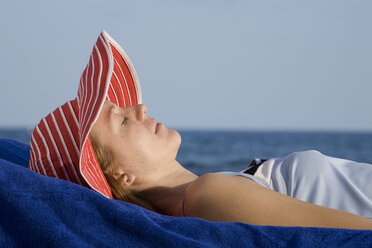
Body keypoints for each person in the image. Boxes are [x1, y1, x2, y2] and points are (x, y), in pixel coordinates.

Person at [29, 31, 372, 230]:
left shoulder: (208, 194)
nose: (140, 108)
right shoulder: (206, 195)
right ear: (120, 175)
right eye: (122, 121)